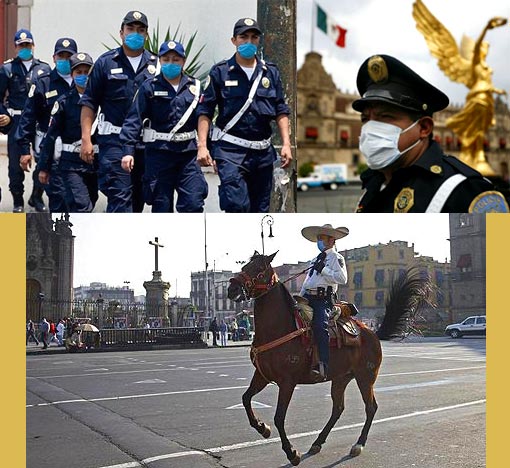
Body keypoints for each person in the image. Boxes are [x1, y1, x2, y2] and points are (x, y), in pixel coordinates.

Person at [353, 54, 509, 213]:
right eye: (365, 119)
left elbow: (498, 239)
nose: (371, 127)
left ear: (424, 128)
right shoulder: (374, 183)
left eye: (385, 117)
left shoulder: (466, 191)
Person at [196, 17, 292, 212]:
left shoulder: (270, 73)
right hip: (230, 152)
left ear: (258, 40)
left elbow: (281, 110)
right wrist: (202, 146)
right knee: (237, 206)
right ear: (234, 40)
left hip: (262, 153)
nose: (249, 42)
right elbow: (205, 111)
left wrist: (287, 144)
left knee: (261, 211)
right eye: (243, 37)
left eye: (253, 37)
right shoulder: (221, 72)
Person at [80, 10, 158, 213]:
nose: (135, 34)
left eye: (141, 30)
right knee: (119, 198)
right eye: (130, 29)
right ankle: (116, 243)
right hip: (114, 143)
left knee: (138, 201)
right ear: (121, 33)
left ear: (147, 35)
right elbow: (89, 103)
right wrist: (86, 139)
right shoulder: (106, 63)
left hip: (145, 145)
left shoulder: (157, 65)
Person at [120, 40, 207, 212]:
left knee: (193, 202)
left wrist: (207, 149)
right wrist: (128, 152)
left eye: (176, 60)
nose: (171, 63)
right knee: (161, 206)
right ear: (160, 61)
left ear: (183, 61)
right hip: (159, 154)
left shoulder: (195, 87)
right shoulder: (149, 86)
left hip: (187, 155)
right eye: (166, 59)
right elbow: (134, 120)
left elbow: (204, 120)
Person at [16, 37, 79, 213]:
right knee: (58, 197)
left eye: (69, 56)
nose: (65, 60)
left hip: (77, 150)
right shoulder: (43, 83)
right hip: (51, 149)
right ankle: (57, 235)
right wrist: (24, 150)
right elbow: (28, 117)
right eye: (61, 56)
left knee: (79, 198)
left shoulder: (83, 81)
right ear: (54, 58)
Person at [38, 52, 98, 212]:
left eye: (87, 72)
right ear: (72, 74)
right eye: (79, 72)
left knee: (91, 202)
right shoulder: (63, 102)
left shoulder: (101, 100)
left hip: (94, 163)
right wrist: (44, 167)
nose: (83, 76)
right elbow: (51, 135)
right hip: (70, 164)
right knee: (81, 205)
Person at [0, 29, 51, 212]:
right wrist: (3, 114)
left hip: (38, 123)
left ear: (33, 45)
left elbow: (50, 96)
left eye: (27, 45)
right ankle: (18, 200)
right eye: (21, 45)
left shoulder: (44, 68)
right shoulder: (7, 69)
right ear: (15, 47)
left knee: (44, 160)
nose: (25, 48)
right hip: (16, 122)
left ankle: (36, 196)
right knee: (15, 165)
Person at [299, 224, 349, 380]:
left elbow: (342, 279)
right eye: (318, 238)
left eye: (322, 238)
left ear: (332, 240)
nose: (319, 241)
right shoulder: (315, 259)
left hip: (323, 300)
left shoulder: (336, 258)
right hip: (308, 297)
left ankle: (323, 365)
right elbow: (308, 280)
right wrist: (300, 297)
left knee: (320, 326)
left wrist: (324, 270)